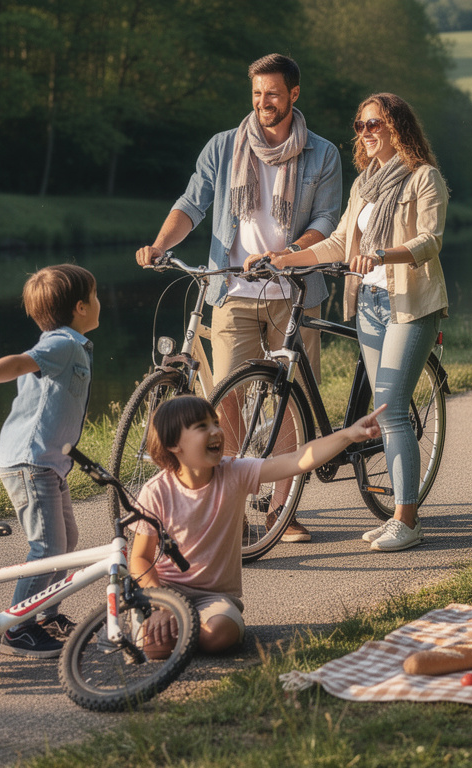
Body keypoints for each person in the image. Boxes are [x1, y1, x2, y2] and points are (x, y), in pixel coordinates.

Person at [135, 53, 342, 544]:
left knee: (291, 402)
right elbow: (192, 204)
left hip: (294, 290)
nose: (262, 102)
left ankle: (281, 510)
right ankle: (228, 502)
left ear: (294, 95)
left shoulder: (323, 154)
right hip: (230, 288)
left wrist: (288, 253)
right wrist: (161, 244)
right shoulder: (225, 147)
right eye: (256, 93)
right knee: (224, 399)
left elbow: (328, 221)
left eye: (272, 93)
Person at [246, 93, 449, 552]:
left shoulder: (424, 178)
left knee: (393, 409)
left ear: (397, 126)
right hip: (371, 302)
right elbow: (338, 242)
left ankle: (407, 518)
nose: (366, 133)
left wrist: (381, 254)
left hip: (410, 301)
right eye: (360, 126)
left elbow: (429, 241)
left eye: (374, 124)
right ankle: (396, 513)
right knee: (381, 409)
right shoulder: (365, 185)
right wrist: (285, 257)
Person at [128, 396, 386, 655]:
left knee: (220, 635)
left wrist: (349, 434)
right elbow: (139, 558)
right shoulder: (156, 492)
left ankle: (184, 632)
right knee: (152, 647)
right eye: (202, 427)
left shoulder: (235, 472)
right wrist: (164, 606)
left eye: (215, 423)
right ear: (173, 444)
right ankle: (173, 628)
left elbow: (297, 460)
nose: (216, 431)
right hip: (165, 591)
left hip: (213, 598)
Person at [0, 264, 100, 657]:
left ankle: (45, 614)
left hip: (48, 464)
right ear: (81, 307)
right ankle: (18, 626)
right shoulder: (60, 344)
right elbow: (18, 362)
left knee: (67, 541)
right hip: (32, 463)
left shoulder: (71, 344)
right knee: (47, 547)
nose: (100, 303)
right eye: (96, 297)